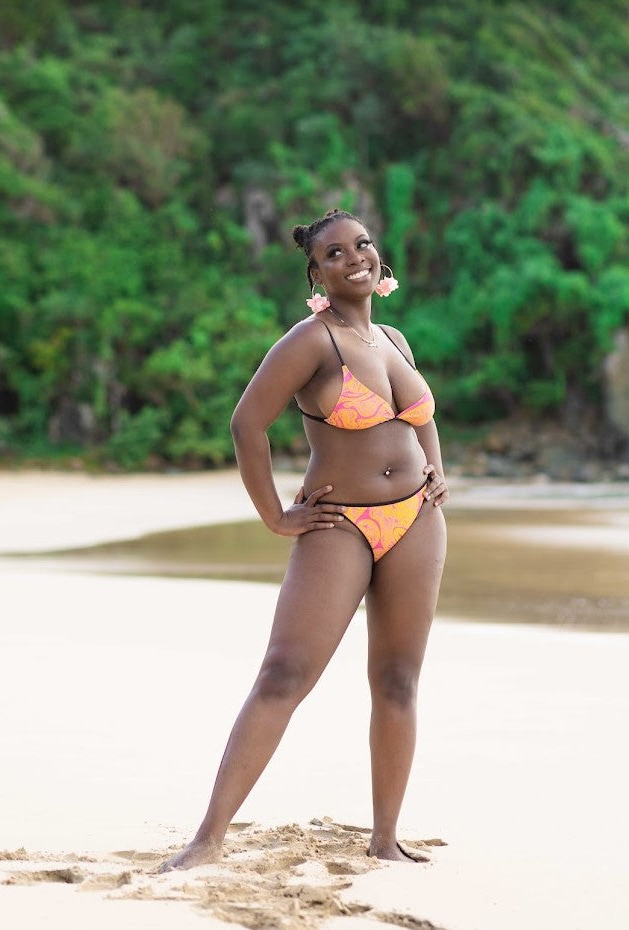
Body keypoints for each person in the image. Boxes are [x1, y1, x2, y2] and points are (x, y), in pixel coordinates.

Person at [159, 208, 448, 871]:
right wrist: (274, 516)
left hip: (416, 522)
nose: (355, 257)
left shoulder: (396, 340)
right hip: (338, 523)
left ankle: (385, 840)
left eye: (363, 244)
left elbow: (420, 417)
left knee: (398, 681)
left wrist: (438, 468)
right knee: (284, 674)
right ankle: (206, 839)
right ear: (315, 271)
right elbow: (246, 424)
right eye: (335, 252)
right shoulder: (310, 341)